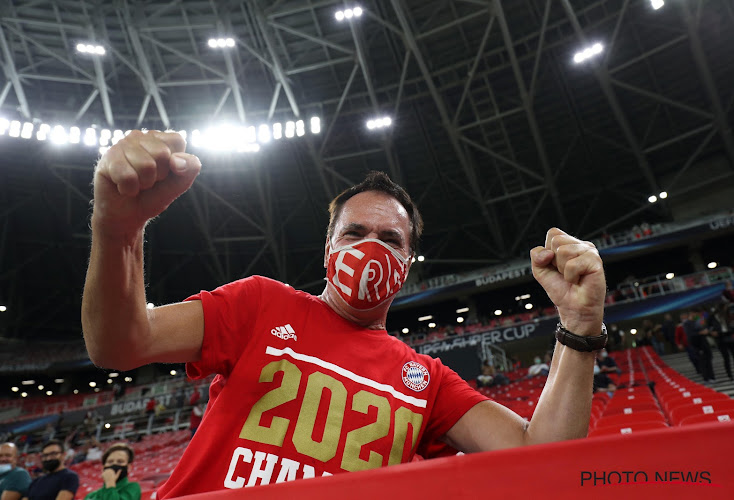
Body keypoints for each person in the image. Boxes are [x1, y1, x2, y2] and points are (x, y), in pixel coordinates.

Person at [82, 132, 607, 498]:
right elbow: (122, 344)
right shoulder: (260, 304)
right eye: (354, 233)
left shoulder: (426, 381)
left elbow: (542, 456)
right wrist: (119, 229)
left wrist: (580, 328)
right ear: (328, 250)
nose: (370, 248)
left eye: (390, 239)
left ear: (406, 266)